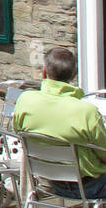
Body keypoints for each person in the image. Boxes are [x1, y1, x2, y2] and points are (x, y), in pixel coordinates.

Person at [12, 46, 106, 197]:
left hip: (48, 182)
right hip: (88, 186)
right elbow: (104, 155)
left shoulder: (25, 100)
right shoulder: (87, 112)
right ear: (74, 75)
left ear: (44, 72)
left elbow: (18, 133)